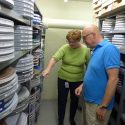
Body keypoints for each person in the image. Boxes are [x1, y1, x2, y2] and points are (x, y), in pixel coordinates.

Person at [42, 29, 90, 125]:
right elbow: (54, 58)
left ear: (79, 40)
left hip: (78, 81)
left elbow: (89, 67)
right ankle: (60, 121)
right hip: (63, 79)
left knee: (74, 101)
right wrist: (48, 69)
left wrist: (85, 82)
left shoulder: (86, 50)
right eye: (68, 41)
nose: (70, 44)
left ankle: (72, 119)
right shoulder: (65, 47)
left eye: (73, 42)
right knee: (62, 100)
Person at [75, 25, 120, 125]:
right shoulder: (96, 49)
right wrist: (83, 85)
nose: (83, 41)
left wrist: (103, 106)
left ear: (93, 35)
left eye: (84, 37)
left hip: (98, 103)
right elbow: (95, 72)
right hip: (89, 99)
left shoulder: (109, 49)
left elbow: (113, 79)